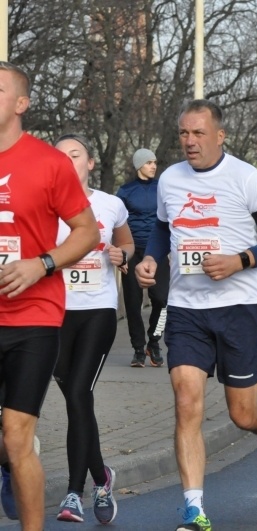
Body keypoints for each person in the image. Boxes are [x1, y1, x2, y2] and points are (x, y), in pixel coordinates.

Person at [134, 99, 257, 531]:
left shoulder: (245, 177)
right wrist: (151, 259)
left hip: (239, 309)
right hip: (187, 310)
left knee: (242, 414)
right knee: (186, 402)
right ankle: (194, 508)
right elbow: (164, 228)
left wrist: (240, 260)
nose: (189, 141)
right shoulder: (170, 178)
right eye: (184, 133)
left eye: (198, 133)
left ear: (219, 136)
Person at [0, 62, 100, 530]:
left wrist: (41, 264)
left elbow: (87, 232)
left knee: (19, 437)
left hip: (32, 318)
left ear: (22, 104)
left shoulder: (48, 163)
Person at [52, 134, 135, 523]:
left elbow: (127, 247)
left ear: (89, 162)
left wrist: (123, 256)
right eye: (59, 156)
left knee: (79, 392)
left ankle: (74, 493)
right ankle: (102, 477)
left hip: (97, 311)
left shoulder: (110, 205)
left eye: (75, 155)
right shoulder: (42, 207)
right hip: (52, 314)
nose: (67, 162)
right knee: (77, 400)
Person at [117, 147, 170, 367]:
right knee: (132, 303)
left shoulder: (163, 189)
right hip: (134, 252)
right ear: (139, 165)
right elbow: (116, 223)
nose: (154, 166)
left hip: (157, 252)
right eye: (149, 163)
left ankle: (154, 341)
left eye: (155, 162)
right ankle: (139, 349)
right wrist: (121, 254)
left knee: (162, 300)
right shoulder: (125, 191)